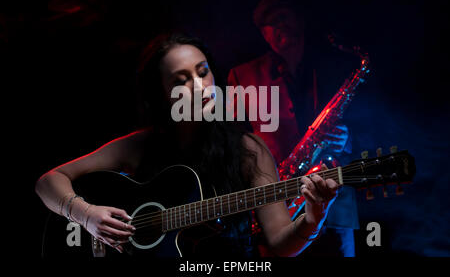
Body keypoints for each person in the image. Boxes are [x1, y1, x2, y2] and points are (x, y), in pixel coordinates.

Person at [35, 32, 339, 257]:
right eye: (182, 80)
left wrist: (313, 219)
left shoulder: (250, 150)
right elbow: (48, 181)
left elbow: (280, 244)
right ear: (161, 95)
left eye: (203, 72)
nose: (199, 86)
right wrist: (86, 215)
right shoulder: (140, 146)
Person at [228, 0, 360, 256]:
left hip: (334, 199)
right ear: (263, 34)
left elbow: (370, 121)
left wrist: (350, 136)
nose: (279, 25)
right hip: (276, 201)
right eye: (271, 22)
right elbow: (232, 141)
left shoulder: (332, 66)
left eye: (284, 16)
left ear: (299, 19)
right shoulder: (241, 75)